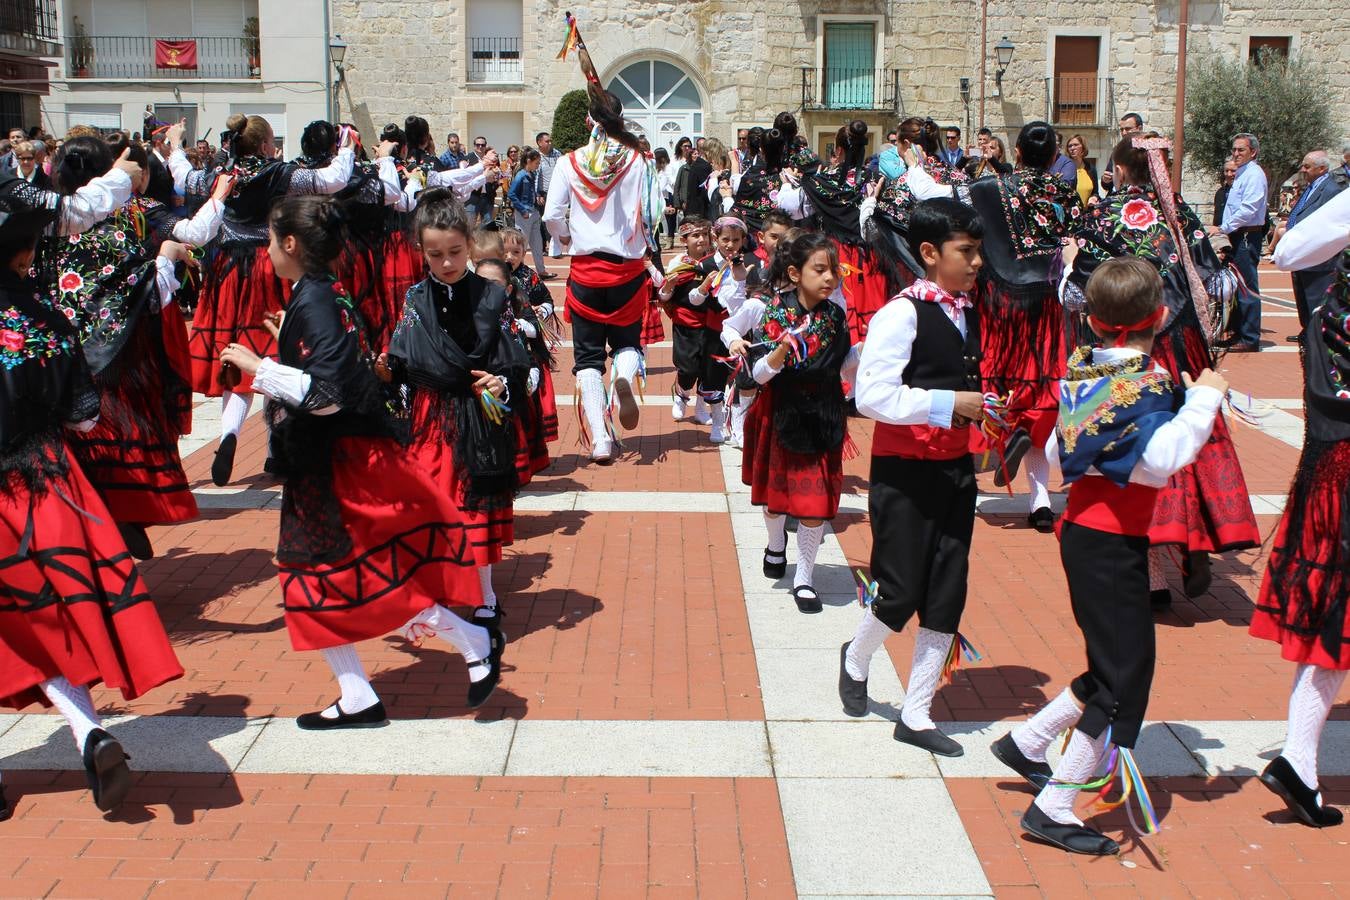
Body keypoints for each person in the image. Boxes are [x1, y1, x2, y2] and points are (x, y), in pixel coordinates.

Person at [218, 194, 504, 728]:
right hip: (330, 462)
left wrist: (261, 367)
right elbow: (338, 371)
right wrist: (286, 347)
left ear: (290, 243)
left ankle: (468, 643)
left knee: (358, 575)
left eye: (270, 240)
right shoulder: (319, 294)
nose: (266, 251)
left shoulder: (317, 300)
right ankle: (361, 692)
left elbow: (327, 394)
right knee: (323, 578)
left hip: (341, 465)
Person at [991, 257, 1228, 855]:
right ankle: (1054, 806)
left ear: (1093, 321)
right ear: (1162, 316)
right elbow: (1163, 458)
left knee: (1112, 666)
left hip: (1089, 535)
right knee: (1123, 681)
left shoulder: (1083, 372)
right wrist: (1203, 400)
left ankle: (1029, 742)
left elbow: (1056, 451)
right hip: (1110, 545)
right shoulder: (1144, 384)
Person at [0, 176, 184, 819]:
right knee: (51, 616)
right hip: (44, 479)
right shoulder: (47, 318)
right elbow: (83, 416)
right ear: (25, 254)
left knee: (14, 628)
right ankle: (89, 732)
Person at [1065, 134, 1259, 605]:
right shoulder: (1178, 213)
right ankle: (1195, 538)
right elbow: (1217, 282)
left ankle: (1152, 578)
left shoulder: (1102, 214)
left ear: (1120, 169)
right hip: (1181, 340)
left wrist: (1073, 269)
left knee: (1134, 441)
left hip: (1127, 344)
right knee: (1191, 429)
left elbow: (1076, 293)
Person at [838, 198, 985, 756]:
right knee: (898, 590)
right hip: (903, 472)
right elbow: (872, 396)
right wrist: (949, 404)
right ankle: (856, 655)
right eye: (966, 251)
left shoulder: (967, 310)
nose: (977, 262)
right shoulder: (900, 314)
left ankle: (917, 712)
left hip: (955, 469)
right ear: (929, 253)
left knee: (948, 589)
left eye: (978, 251)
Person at [166, 113, 355, 487]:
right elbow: (332, 179)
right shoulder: (278, 172)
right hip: (269, 265)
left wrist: (175, 146)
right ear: (267, 144)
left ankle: (229, 433)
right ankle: (274, 449)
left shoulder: (221, 172)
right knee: (275, 351)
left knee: (236, 356)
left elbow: (183, 178)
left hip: (228, 270)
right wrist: (347, 148)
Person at [43, 136, 204, 560]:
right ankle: (117, 520)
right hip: (108, 368)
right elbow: (146, 294)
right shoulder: (111, 234)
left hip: (51, 367)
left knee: (65, 457)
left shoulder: (41, 230)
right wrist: (166, 257)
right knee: (112, 445)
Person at [1249, 186, 1350, 829]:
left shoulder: (1335, 305)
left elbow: (1290, 251)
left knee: (1333, 606)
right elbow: (1287, 252)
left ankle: (1298, 759)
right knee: (1336, 610)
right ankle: (1297, 758)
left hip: (1332, 453)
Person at [967, 121, 1085, 530]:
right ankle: (1039, 503)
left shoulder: (986, 189)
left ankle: (1008, 435)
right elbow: (1076, 245)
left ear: (1016, 152)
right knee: (1045, 391)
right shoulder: (1065, 193)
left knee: (1001, 384)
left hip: (1002, 304)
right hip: (1052, 303)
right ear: (1054, 156)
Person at [543, 61, 663, 464]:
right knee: (628, 343)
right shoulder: (639, 160)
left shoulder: (569, 162)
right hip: (627, 270)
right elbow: (653, 211)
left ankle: (600, 440)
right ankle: (624, 377)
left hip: (585, 271)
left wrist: (565, 236)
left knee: (588, 359)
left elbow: (551, 215)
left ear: (588, 121)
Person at [743, 232, 857, 613]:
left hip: (823, 414)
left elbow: (841, 365)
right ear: (795, 273)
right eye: (820, 270)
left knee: (814, 505)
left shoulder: (835, 315)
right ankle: (776, 544)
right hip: (783, 413)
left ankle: (804, 578)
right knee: (776, 503)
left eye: (834, 271)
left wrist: (866, 354)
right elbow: (758, 374)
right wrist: (781, 350)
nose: (830, 278)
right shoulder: (775, 312)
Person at [1210, 132, 1268, 350]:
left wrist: (1223, 228)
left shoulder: (1254, 175)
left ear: (1253, 152)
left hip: (1246, 235)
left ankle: (1249, 338)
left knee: (1246, 286)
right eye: (1234, 149)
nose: (1236, 153)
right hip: (1237, 234)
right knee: (1235, 285)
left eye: (1241, 149)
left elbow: (1248, 209)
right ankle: (1238, 332)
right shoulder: (1243, 173)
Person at [1279, 150, 1344, 334]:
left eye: (1307, 166)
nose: (1303, 170)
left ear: (1322, 168)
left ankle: (1317, 342)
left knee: (1316, 307)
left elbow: (1331, 224)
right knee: (1305, 307)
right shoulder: (1312, 186)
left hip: (1318, 263)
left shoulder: (1331, 190)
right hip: (1302, 257)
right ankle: (1308, 337)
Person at [508, 148, 552, 278]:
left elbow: (531, 191)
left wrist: (537, 197)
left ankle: (541, 271)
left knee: (537, 244)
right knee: (522, 244)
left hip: (533, 212)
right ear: (528, 161)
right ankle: (517, 272)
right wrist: (522, 210)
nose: (538, 165)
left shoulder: (531, 174)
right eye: (536, 162)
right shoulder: (521, 175)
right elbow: (511, 194)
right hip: (525, 214)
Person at [1101, 113, 1144, 196]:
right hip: (1117, 198)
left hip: (1140, 197)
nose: (1124, 133)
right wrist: (1105, 180)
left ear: (1139, 128)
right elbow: (1107, 185)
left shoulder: (1147, 151)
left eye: (1128, 129)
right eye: (1121, 129)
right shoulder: (1117, 151)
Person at [1064, 134, 1098, 206]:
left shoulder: (1090, 168)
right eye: (1070, 146)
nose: (1072, 148)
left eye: (1076, 145)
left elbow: (1095, 193)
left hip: (1087, 211)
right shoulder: (1064, 168)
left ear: (1083, 147)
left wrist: (1094, 198)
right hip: (1070, 211)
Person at [1212, 158, 1237, 228]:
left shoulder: (1246, 192)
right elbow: (1217, 217)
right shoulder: (1220, 193)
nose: (1229, 174)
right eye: (1226, 171)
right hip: (1221, 233)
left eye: (1233, 171)